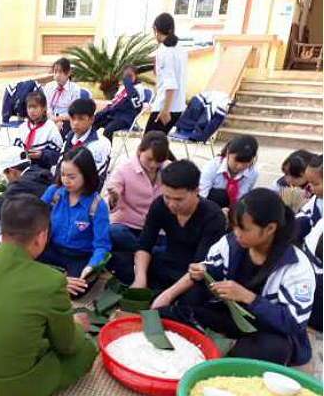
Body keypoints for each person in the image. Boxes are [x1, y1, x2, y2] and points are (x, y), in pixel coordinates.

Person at [0, 194, 96, 396]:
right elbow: (67, 345)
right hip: (11, 387)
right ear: (41, 237)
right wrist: (78, 327)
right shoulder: (51, 281)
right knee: (85, 349)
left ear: (0, 231)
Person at [153, 188, 315, 367]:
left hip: (263, 328)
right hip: (229, 315)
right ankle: (214, 343)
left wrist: (249, 298)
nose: (236, 232)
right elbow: (209, 268)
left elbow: (294, 323)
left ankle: (228, 356)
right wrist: (198, 274)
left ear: (270, 228)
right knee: (189, 296)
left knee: (274, 349)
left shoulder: (295, 266)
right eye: (234, 226)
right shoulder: (230, 243)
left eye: (243, 228)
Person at [110, 160, 226, 291]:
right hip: (167, 260)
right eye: (167, 197)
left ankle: (162, 293)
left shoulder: (213, 217)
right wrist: (140, 279)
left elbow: (201, 266)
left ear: (196, 191)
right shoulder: (160, 204)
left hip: (192, 274)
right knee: (119, 260)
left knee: (196, 293)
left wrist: (167, 296)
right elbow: (144, 245)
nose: (171, 204)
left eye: (178, 199)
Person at [39, 147, 111, 297]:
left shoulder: (97, 206)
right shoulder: (54, 192)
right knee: (23, 268)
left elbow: (102, 245)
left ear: (86, 175)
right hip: (51, 249)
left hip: (79, 256)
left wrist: (92, 266)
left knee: (76, 290)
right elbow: (33, 216)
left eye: (72, 177)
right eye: (63, 174)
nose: (66, 180)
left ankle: (51, 281)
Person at [105, 131, 169, 251]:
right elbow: (107, 201)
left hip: (157, 230)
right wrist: (113, 199)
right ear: (139, 151)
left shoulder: (169, 169)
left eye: (158, 161)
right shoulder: (123, 169)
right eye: (149, 159)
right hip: (128, 226)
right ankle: (145, 252)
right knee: (113, 232)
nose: (153, 165)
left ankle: (142, 252)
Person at [0, 147, 52, 246]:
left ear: (12, 171)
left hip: (35, 237)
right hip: (44, 228)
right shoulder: (42, 174)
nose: (6, 178)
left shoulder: (20, 185)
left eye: (6, 173)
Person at [146, 13, 187, 137]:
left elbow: (170, 83)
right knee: (158, 144)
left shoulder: (164, 50)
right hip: (177, 106)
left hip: (165, 107)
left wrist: (165, 110)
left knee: (148, 144)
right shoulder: (180, 48)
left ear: (155, 29)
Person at [59, 98, 111, 188]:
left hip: (86, 190)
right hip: (65, 184)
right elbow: (60, 165)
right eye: (72, 118)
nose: (75, 123)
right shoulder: (69, 137)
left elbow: (94, 177)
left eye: (81, 119)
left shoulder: (100, 143)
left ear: (91, 119)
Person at [199, 135, 259, 211]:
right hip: (210, 207)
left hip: (233, 210)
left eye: (246, 162)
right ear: (227, 153)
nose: (239, 166)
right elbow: (201, 197)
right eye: (236, 160)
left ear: (253, 159)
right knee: (220, 195)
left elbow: (244, 199)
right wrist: (216, 213)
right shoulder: (212, 166)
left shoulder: (253, 173)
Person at [94, 64, 146, 143]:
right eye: (125, 75)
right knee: (92, 122)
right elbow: (114, 102)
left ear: (135, 75)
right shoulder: (123, 87)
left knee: (108, 130)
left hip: (126, 117)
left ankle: (106, 150)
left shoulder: (139, 88)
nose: (127, 78)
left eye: (129, 75)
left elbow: (136, 105)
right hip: (114, 114)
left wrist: (128, 83)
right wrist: (104, 111)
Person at [13, 91, 63, 170]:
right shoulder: (23, 127)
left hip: (42, 170)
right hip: (23, 168)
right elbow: (15, 147)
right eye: (29, 107)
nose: (31, 111)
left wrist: (42, 155)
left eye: (35, 107)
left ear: (44, 108)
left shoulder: (50, 128)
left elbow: (57, 155)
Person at [42, 58, 82, 139]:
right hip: (49, 118)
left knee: (60, 133)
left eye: (60, 72)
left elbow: (74, 112)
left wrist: (58, 119)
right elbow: (46, 107)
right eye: (55, 72)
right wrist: (52, 119)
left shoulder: (74, 89)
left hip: (67, 120)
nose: (57, 75)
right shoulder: (48, 87)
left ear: (68, 73)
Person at [297, 154, 323, 240]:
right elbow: (305, 213)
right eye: (309, 182)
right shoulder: (317, 199)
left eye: (315, 184)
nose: (309, 187)